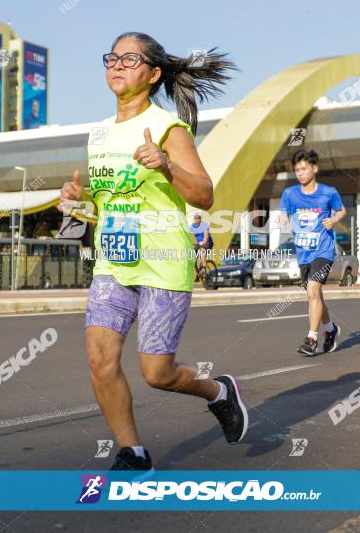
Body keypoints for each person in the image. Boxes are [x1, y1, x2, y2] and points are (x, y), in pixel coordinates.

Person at [57, 32, 246, 471]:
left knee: (157, 374)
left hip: (163, 261)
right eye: (112, 58)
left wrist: (167, 164)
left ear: (154, 73)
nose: (117, 65)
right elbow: (107, 206)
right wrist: (75, 200)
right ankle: (133, 452)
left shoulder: (167, 128)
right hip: (114, 262)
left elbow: (204, 195)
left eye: (130, 59)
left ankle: (218, 392)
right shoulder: (99, 133)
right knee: (100, 360)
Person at [278, 149, 346, 356]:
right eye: (297, 170)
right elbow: (284, 212)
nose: (300, 173)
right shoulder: (290, 194)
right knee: (316, 295)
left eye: (304, 168)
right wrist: (283, 219)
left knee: (312, 293)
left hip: (323, 251)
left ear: (314, 169)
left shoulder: (329, 192)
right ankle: (330, 329)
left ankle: (311, 339)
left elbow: (341, 210)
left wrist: (334, 220)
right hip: (303, 253)